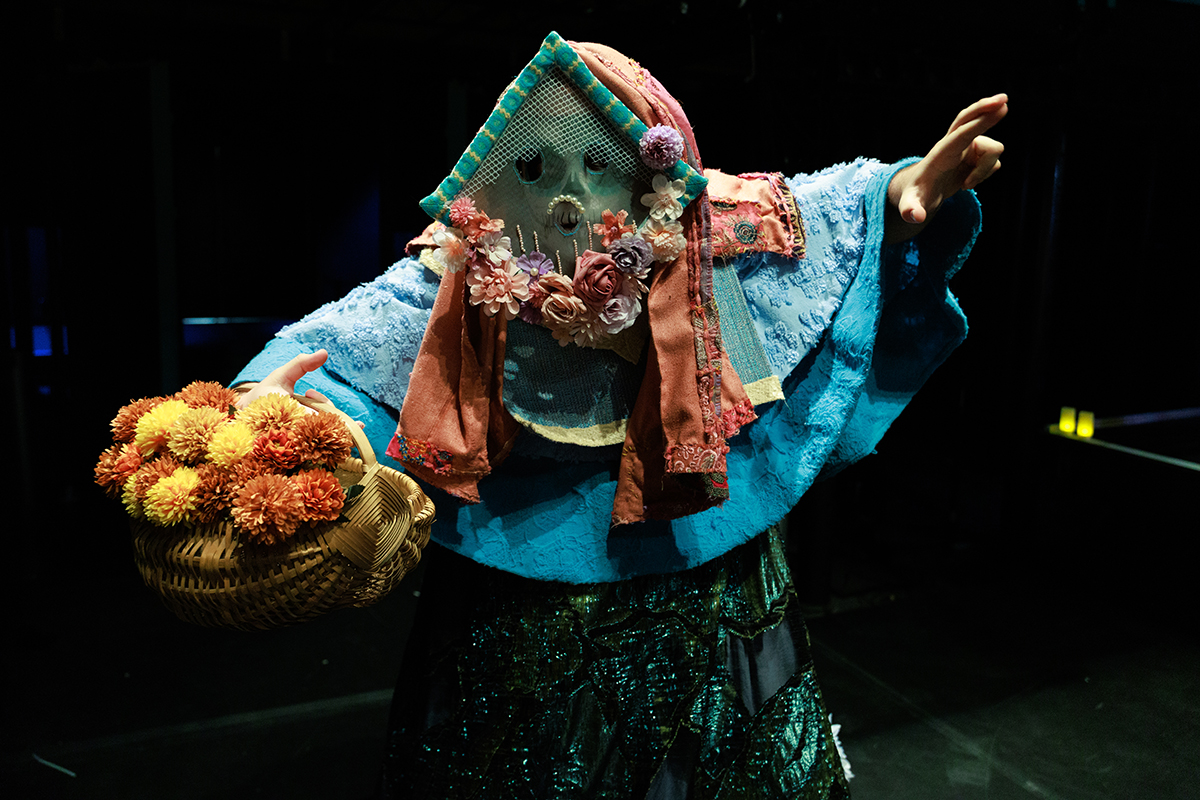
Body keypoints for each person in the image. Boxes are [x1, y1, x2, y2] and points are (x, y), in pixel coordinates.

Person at [235, 33, 1005, 800]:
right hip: (524, 584)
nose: (568, 195)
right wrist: (275, 402)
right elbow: (344, 338)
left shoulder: (707, 230)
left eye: (599, 164)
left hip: (706, 570)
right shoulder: (463, 264)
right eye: (535, 168)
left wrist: (905, 193)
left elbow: (827, 207)